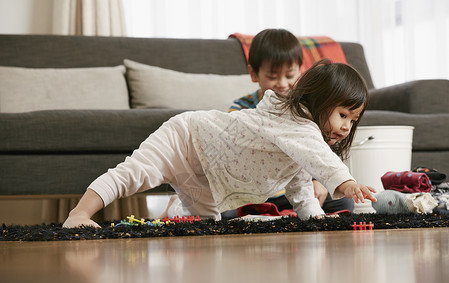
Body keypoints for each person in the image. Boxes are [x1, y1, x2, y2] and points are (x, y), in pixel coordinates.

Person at [63, 59, 377, 228]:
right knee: (132, 174)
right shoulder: (297, 126)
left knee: (207, 229)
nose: (346, 127)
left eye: (353, 120)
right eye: (342, 115)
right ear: (320, 101)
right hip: (185, 139)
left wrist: (317, 221)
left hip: (206, 179)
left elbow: (300, 187)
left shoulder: (297, 140)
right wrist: (346, 183)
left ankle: (177, 212)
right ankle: (79, 214)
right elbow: (321, 158)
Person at [228, 28, 355, 216]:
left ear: (300, 70)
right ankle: (277, 212)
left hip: (296, 190)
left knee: (343, 202)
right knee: (223, 212)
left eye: (289, 75)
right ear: (254, 73)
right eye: (272, 76)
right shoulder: (241, 109)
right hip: (253, 191)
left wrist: (318, 180)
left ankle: (280, 212)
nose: (282, 83)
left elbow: (315, 150)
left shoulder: (304, 110)